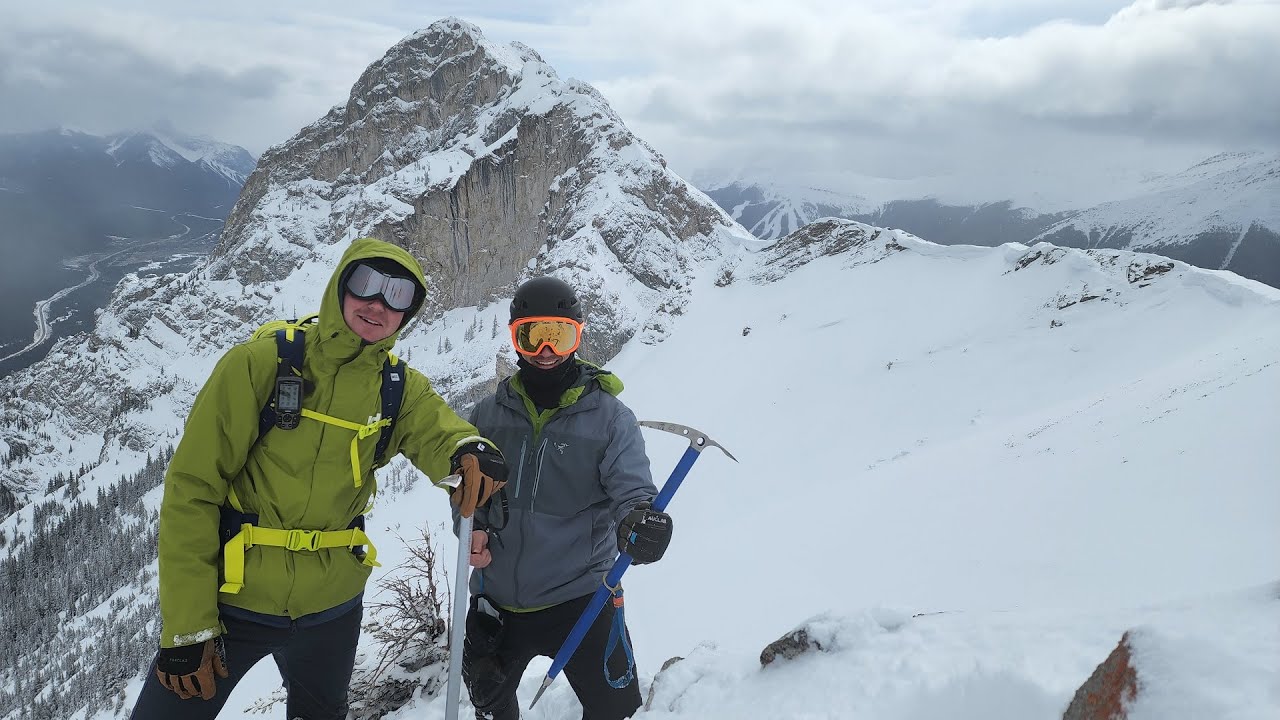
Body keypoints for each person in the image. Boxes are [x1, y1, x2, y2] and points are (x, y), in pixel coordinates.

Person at [129, 237, 508, 720]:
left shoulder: (396, 387)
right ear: (340, 287)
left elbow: (438, 431)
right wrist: (187, 627)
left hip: (331, 610)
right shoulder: (261, 364)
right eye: (366, 284)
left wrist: (469, 450)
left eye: (398, 295)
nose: (378, 304)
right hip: (234, 605)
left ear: (409, 313)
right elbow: (192, 490)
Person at [460, 276, 675, 720]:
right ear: (515, 339)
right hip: (495, 605)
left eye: (558, 335)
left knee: (617, 713)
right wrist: (475, 527)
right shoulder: (486, 415)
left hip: (582, 602)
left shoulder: (611, 419)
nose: (545, 351)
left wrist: (638, 521)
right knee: (490, 708)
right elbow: (467, 494)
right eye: (532, 335)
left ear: (578, 336)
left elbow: (631, 489)